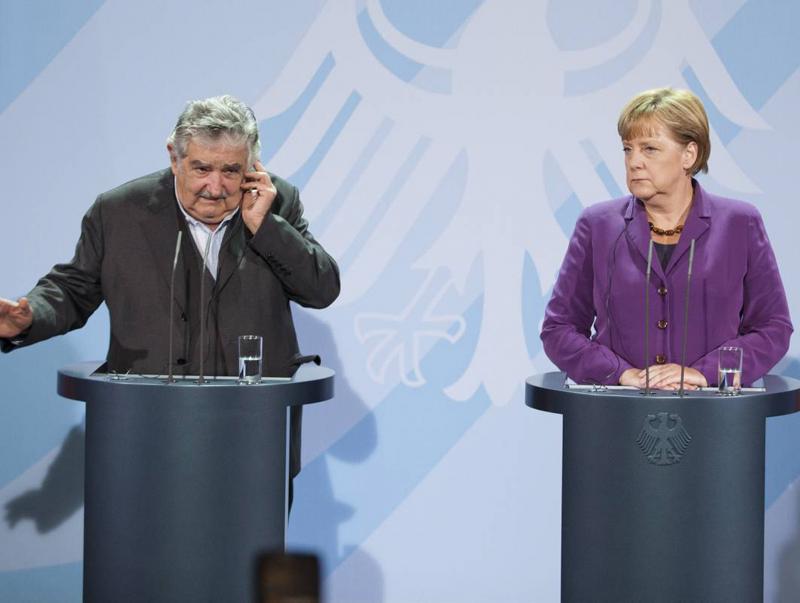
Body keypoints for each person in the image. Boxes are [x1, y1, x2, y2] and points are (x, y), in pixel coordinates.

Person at [0, 94, 340, 478]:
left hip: (254, 430)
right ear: (173, 158)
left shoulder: (276, 203)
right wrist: (27, 319)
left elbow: (322, 289)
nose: (215, 187)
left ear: (252, 166)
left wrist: (267, 228)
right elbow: (74, 288)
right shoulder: (118, 212)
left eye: (231, 170)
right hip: (145, 429)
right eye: (201, 168)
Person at [541, 88, 792, 389]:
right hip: (614, 415)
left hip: (714, 419)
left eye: (649, 149)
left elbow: (773, 329)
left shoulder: (740, 224)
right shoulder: (597, 225)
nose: (634, 162)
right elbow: (559, 329)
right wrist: (620, 373)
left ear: (689, 154)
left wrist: (705, 373)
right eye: (627, 149)